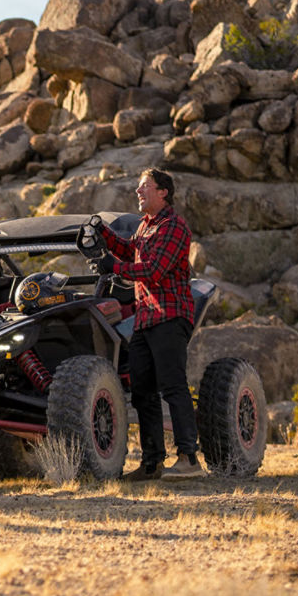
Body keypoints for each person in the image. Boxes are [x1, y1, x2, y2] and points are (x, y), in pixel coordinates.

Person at [95, 168, 201, 480]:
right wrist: (103, 234)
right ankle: (152, 463)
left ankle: (189, 459)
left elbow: (153, 270)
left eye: (144, 188)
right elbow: (131, 251)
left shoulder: (174, 226)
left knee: (173, 385)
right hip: (144, 319)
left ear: (163, 192)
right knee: (141, 391)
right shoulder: (145, 225)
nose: (138, 193)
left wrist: (113, 266)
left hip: (169, 316)